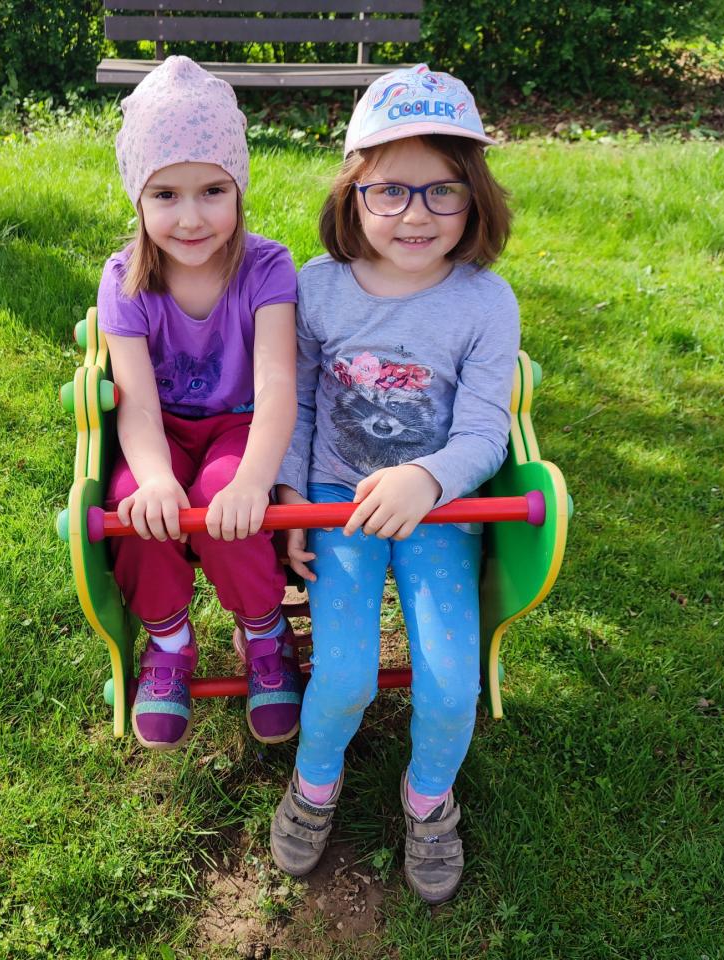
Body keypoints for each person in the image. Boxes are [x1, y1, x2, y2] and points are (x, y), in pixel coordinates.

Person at [269, 64, 519, 904]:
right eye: (391, 191)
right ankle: (314, 785)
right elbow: (298, 400)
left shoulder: (486, 303)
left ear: (475, 197)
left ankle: (429, 800)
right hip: (336, 501)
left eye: (442, 190)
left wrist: (426, 478)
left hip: (439, 511)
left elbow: (483, 432)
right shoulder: (317, 286)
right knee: (344, 675)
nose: (416, 214)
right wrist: (294, 503)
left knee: (450, 685)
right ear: (353, 193)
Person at [98, 56, 302, 751]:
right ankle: (168, 640)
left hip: (240, 426)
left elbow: (277, 386)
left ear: (239, 188)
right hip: (161, 429)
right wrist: (155, 478)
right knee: (135, 504)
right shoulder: (124, 279)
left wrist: (252, 480)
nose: (190, 218)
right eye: (166, 194)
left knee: (225, 500)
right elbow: (135, 403)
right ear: (138, 198)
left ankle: (264, 630)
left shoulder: (267, 267)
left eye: (213, 190)